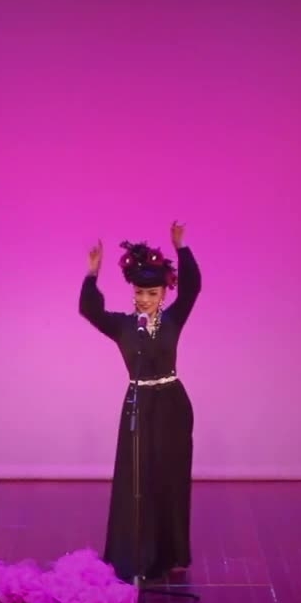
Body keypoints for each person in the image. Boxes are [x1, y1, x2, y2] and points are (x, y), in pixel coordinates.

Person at [79, 220, 201, 583]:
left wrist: (181, 247)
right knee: (136, 479)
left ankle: (171, 553)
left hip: (172, 405)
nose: (145, 299)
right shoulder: (123, 326)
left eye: (152, 293)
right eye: (140, 292)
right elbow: (90, 310)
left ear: (163, 293)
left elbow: (193, 288)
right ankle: (135, 555)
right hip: (138, 404)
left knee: (170, 479)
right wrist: (92, 274)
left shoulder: (173, 320)